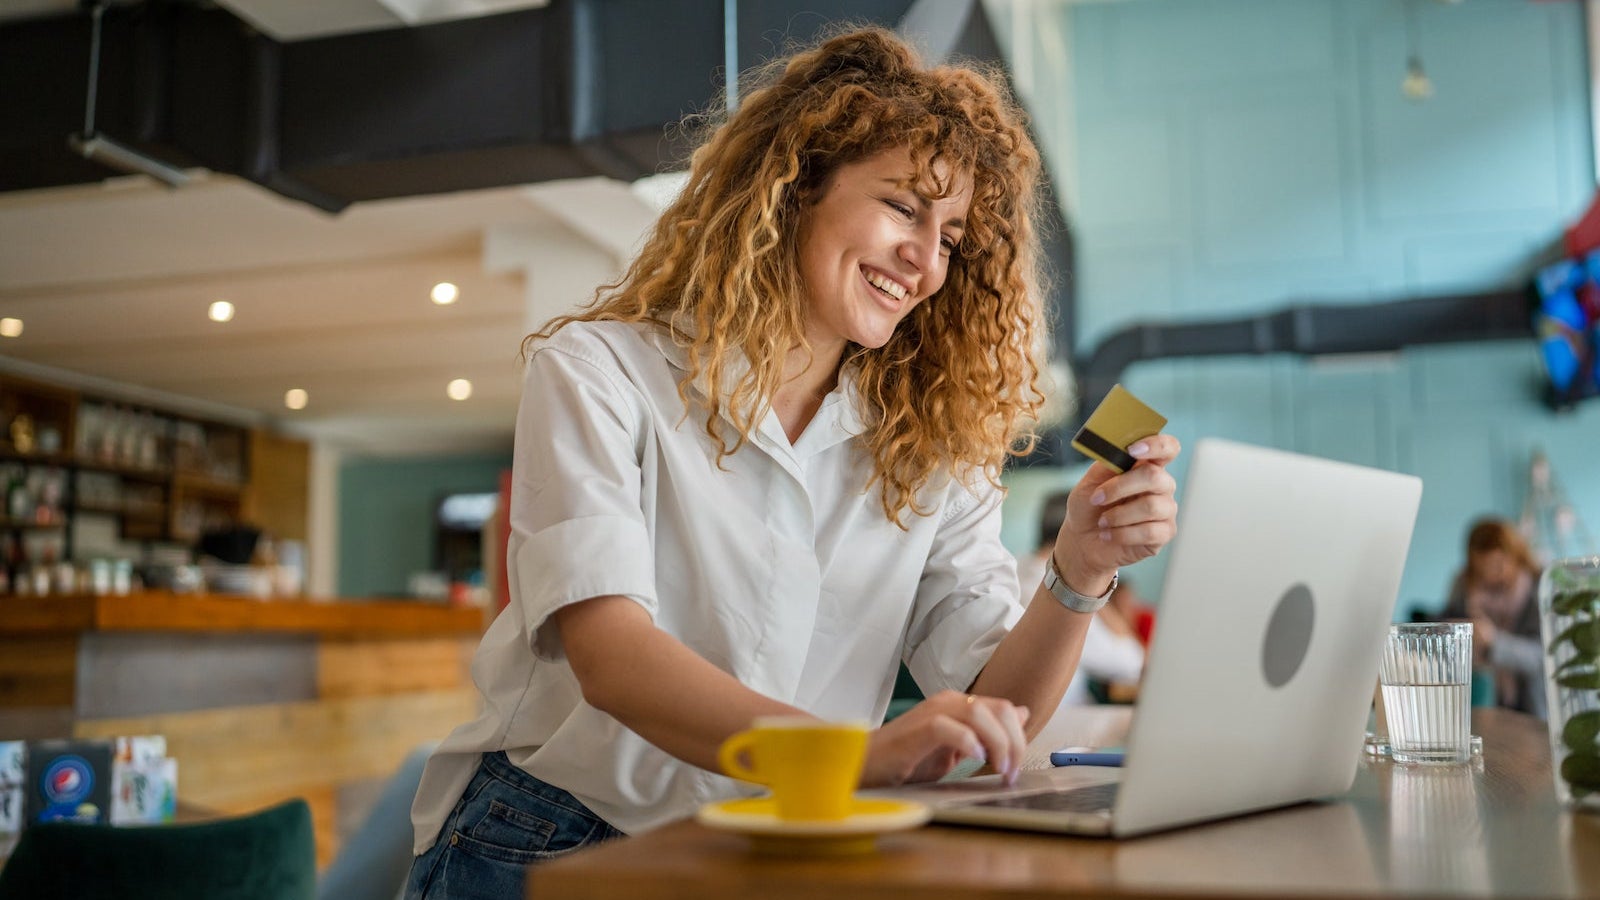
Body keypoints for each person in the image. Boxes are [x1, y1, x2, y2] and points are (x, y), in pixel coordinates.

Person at [404, 27, 1180, 900]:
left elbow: (997, 713)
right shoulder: (602, 372)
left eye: (952, 236)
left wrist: (1080, 571)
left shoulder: (926, 442)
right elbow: (614, 657)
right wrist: (851, 758)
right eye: (903, 207)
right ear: (799, 184)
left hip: (783, 843)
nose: (927, 263)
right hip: (557, 837)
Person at [1015, 491, 1145, 705]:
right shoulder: (1061, 591)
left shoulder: (1018, 566)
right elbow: (1132, 662)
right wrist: (1096, 588)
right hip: (1062, 720)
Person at [1441, 517, 1545, 718]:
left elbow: (1541, 657)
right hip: (1482, 701)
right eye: (1482, 567)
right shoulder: (1463, 587)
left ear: (1514, 555)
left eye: (1498, 565)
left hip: (1534, 706)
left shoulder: (1537, 586)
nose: (1491, 574)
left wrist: (1493, 642)